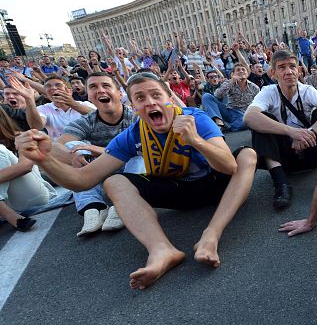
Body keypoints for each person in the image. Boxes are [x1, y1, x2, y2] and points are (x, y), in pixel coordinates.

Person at [15, 72, 258, 290]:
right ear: (134, 107)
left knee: (247, 155)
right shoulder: (132, 134)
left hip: (215, 185)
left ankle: (211, 235)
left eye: (155, 95)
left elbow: (228, 165)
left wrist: (196, 140)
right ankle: (161, 250)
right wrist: (43, 159)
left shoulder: (196, 118)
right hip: (176, 191)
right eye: (140, 98)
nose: (150, 102)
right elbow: (83, 180)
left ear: (169, 100)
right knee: (114, 182)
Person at [244, 50, 317, 209]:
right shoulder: (268, 92)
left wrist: (310, 132)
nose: (289, 71)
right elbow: (249, 116)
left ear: (299, 70)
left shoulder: (307, 90)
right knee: (260, 121)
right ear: (273, 73)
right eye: (282, 67)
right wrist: (291, 132)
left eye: (292, 66)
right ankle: (281, 183)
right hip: (284, 159)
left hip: (310, 151)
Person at [55, 72, 137, 236]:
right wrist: (76, 154)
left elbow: (145, 147)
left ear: (119, 94)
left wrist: (99, 151)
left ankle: (121, 205)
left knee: (141, 152)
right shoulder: (87, 121)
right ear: (89, 97)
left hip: (132, 170)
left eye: (106, 85)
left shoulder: (135, 116)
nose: (100, 90)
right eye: (93, 87)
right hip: (101, 172)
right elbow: (60, 145)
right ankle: (92, 207)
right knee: (73, 147)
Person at [0, 107, 56, 232]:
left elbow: (25, 167)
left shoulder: (21, 136)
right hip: (10, 202)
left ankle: (10, 216)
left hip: (33, 195)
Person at [202, 63, 260, 131]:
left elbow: (259, 103)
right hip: (229, 112)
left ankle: (227, 126)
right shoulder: (228, 83)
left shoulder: (254, 87)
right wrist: (231, 82)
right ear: (233, 74)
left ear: (247, 74)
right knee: (206, 96)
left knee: (247, 120)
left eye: (243, 70)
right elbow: (217, 95)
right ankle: (219, 123)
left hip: (245, 114)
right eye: (238, 70)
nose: (241, 71)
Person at [37, 75, 96, 140]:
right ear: (46, 96)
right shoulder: (43, 108)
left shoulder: (85, 104)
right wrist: (29, 100)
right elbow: (37, 126)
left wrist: (72, 104)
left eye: (58, 85)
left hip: (88, 146)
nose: (53, 88)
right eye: (48, 86)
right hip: (59, 147)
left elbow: (100, 117)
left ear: (70, 91)